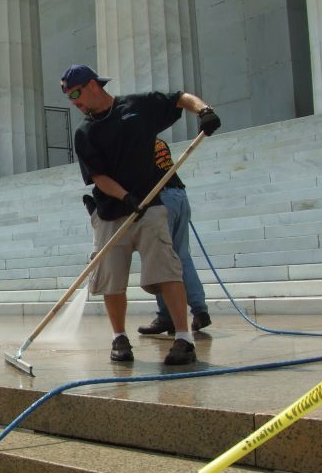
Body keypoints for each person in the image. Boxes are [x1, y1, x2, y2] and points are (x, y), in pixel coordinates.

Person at [62, 64, 221, 365]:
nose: (75, 102)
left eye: (77, 93)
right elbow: (98, 177)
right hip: (111, 212)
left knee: (167, 269)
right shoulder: (85, 133)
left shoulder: (138, 106)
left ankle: (184, 339)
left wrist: (204, 111)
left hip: (151, 206)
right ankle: (119, 338)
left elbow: (180, 98)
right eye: (70, 98)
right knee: (111, 278)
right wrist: (126, 196)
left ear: (94, 85)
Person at [137, 139, 211, 335]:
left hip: (161, 199)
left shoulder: (135, 141)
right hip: (179, 195)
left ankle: (166, 316)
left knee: (161, 260)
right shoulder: (157, 140)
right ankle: (200, 310)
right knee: (181, 255)